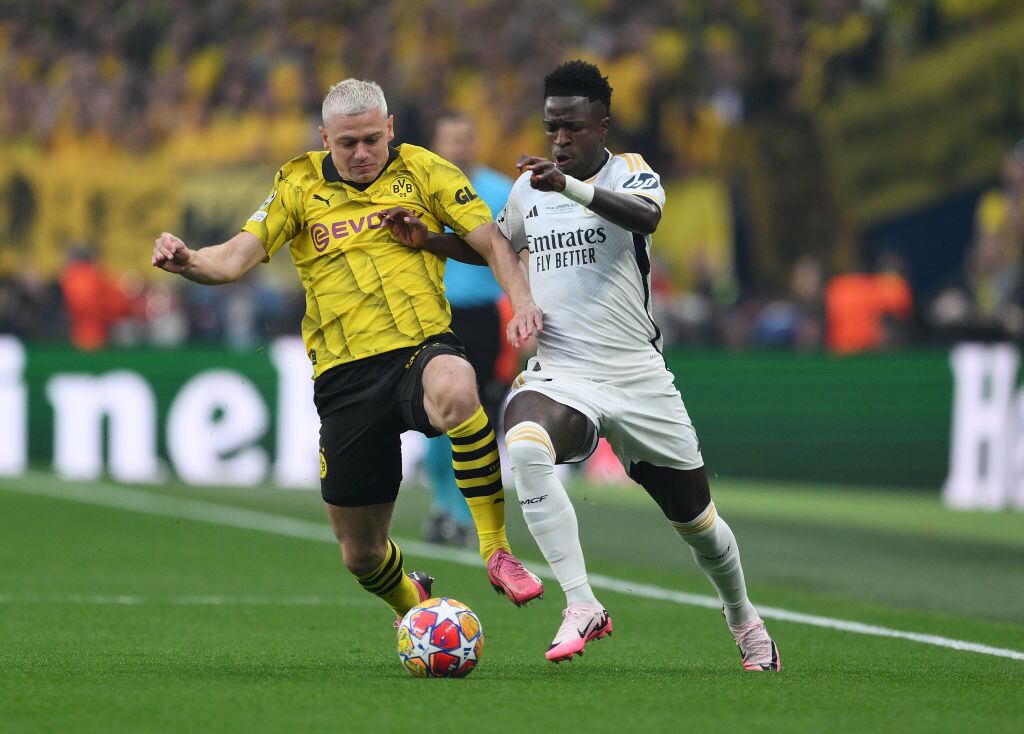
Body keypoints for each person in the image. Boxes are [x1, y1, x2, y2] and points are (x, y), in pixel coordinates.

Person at [385, 61, 779, 669]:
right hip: (563, 373)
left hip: (638, 378)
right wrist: (428, 241)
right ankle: (581, 601)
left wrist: (564, 186)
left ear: (602, 124)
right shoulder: (526, 192)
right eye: (551, 129)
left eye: (571, 128)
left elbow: (645, 217)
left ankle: (744, 618)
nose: (560, 141)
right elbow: (491, 246)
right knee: (523, 443)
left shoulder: (633, 173)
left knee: (699, 526)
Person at [151, 79, 545, 626]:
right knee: (361, 554)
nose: (360, 154)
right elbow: (235, 258)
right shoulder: (297, 184)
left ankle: (496, 550)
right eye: (346, 144)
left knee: (457, 386)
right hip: (345, 374)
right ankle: (419, 606)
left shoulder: (426, 171)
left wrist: (521, 299)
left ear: (389, 129)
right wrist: (188, 260)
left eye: (370, 140)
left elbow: (492, 242)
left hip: (419, 345)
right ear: (324, 138)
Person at [421, 112, 514, 547]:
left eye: (463, 139)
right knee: (436, 414)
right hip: (434, 315)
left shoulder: (500, 191)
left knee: (480, 416)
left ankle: (466, 512)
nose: (456, 148)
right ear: (438, 145)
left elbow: (519, 254)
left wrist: (525, 308)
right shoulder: (421, 189)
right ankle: (444, 504)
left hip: (483, 317)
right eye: (448, 140)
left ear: (474, 142)